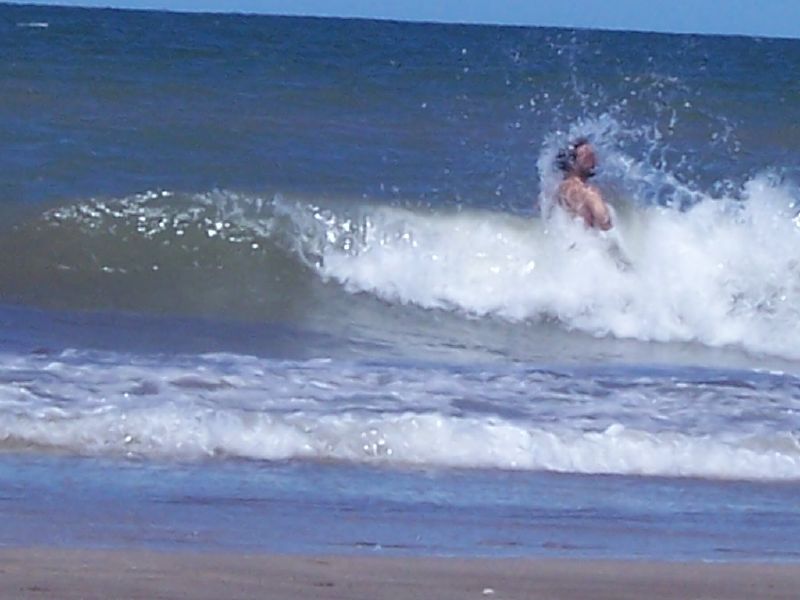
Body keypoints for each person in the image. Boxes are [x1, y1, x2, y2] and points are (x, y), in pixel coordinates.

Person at [555, 137, 612, 230]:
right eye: (588, 157)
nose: (595, 161)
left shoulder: (557, 190)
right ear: (572, 163)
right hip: (589, 242)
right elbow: (605, 223)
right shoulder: (588, 192)